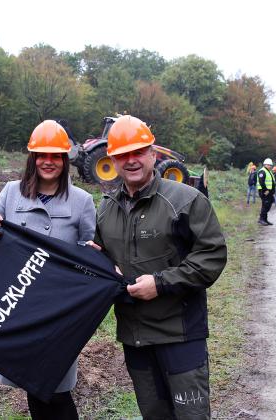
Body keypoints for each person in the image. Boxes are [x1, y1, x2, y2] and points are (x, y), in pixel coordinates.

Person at [89, 115, 227, 419]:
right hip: (135, 336)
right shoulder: (106, 208)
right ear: (112, 158)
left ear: (153, 153)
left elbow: (212, 256)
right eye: (123, 154)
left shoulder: (185, 200)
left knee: (190, 415)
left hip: (180, 335)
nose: (132, 160)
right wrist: (98, 264)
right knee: (154, 414)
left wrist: (161, 283)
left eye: (138, 152)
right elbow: (101, 257)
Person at [0, 120, 96, 420]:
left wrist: (93, 257)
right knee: (33, 384)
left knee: (56, 388)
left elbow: (89, 250)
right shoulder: (10, 193)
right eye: (42, 155)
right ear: (32, 158)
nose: (49, 161)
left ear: (65, 160)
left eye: (56, 155)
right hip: (18, 302)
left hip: (57, 310)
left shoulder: (82, 201)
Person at [257, 158, 276, 225]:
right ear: (265, 164)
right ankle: (261, 219)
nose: (270, 166)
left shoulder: (269, 171)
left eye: (270, 165)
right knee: (265, 205)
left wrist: (272, 191)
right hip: (264, 191)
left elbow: (271, 182)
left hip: (269, 192)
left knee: (268, 205)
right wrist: (266, 190)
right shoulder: (262, 171)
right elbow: (261, 182)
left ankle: (265, 219)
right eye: (268, 165)